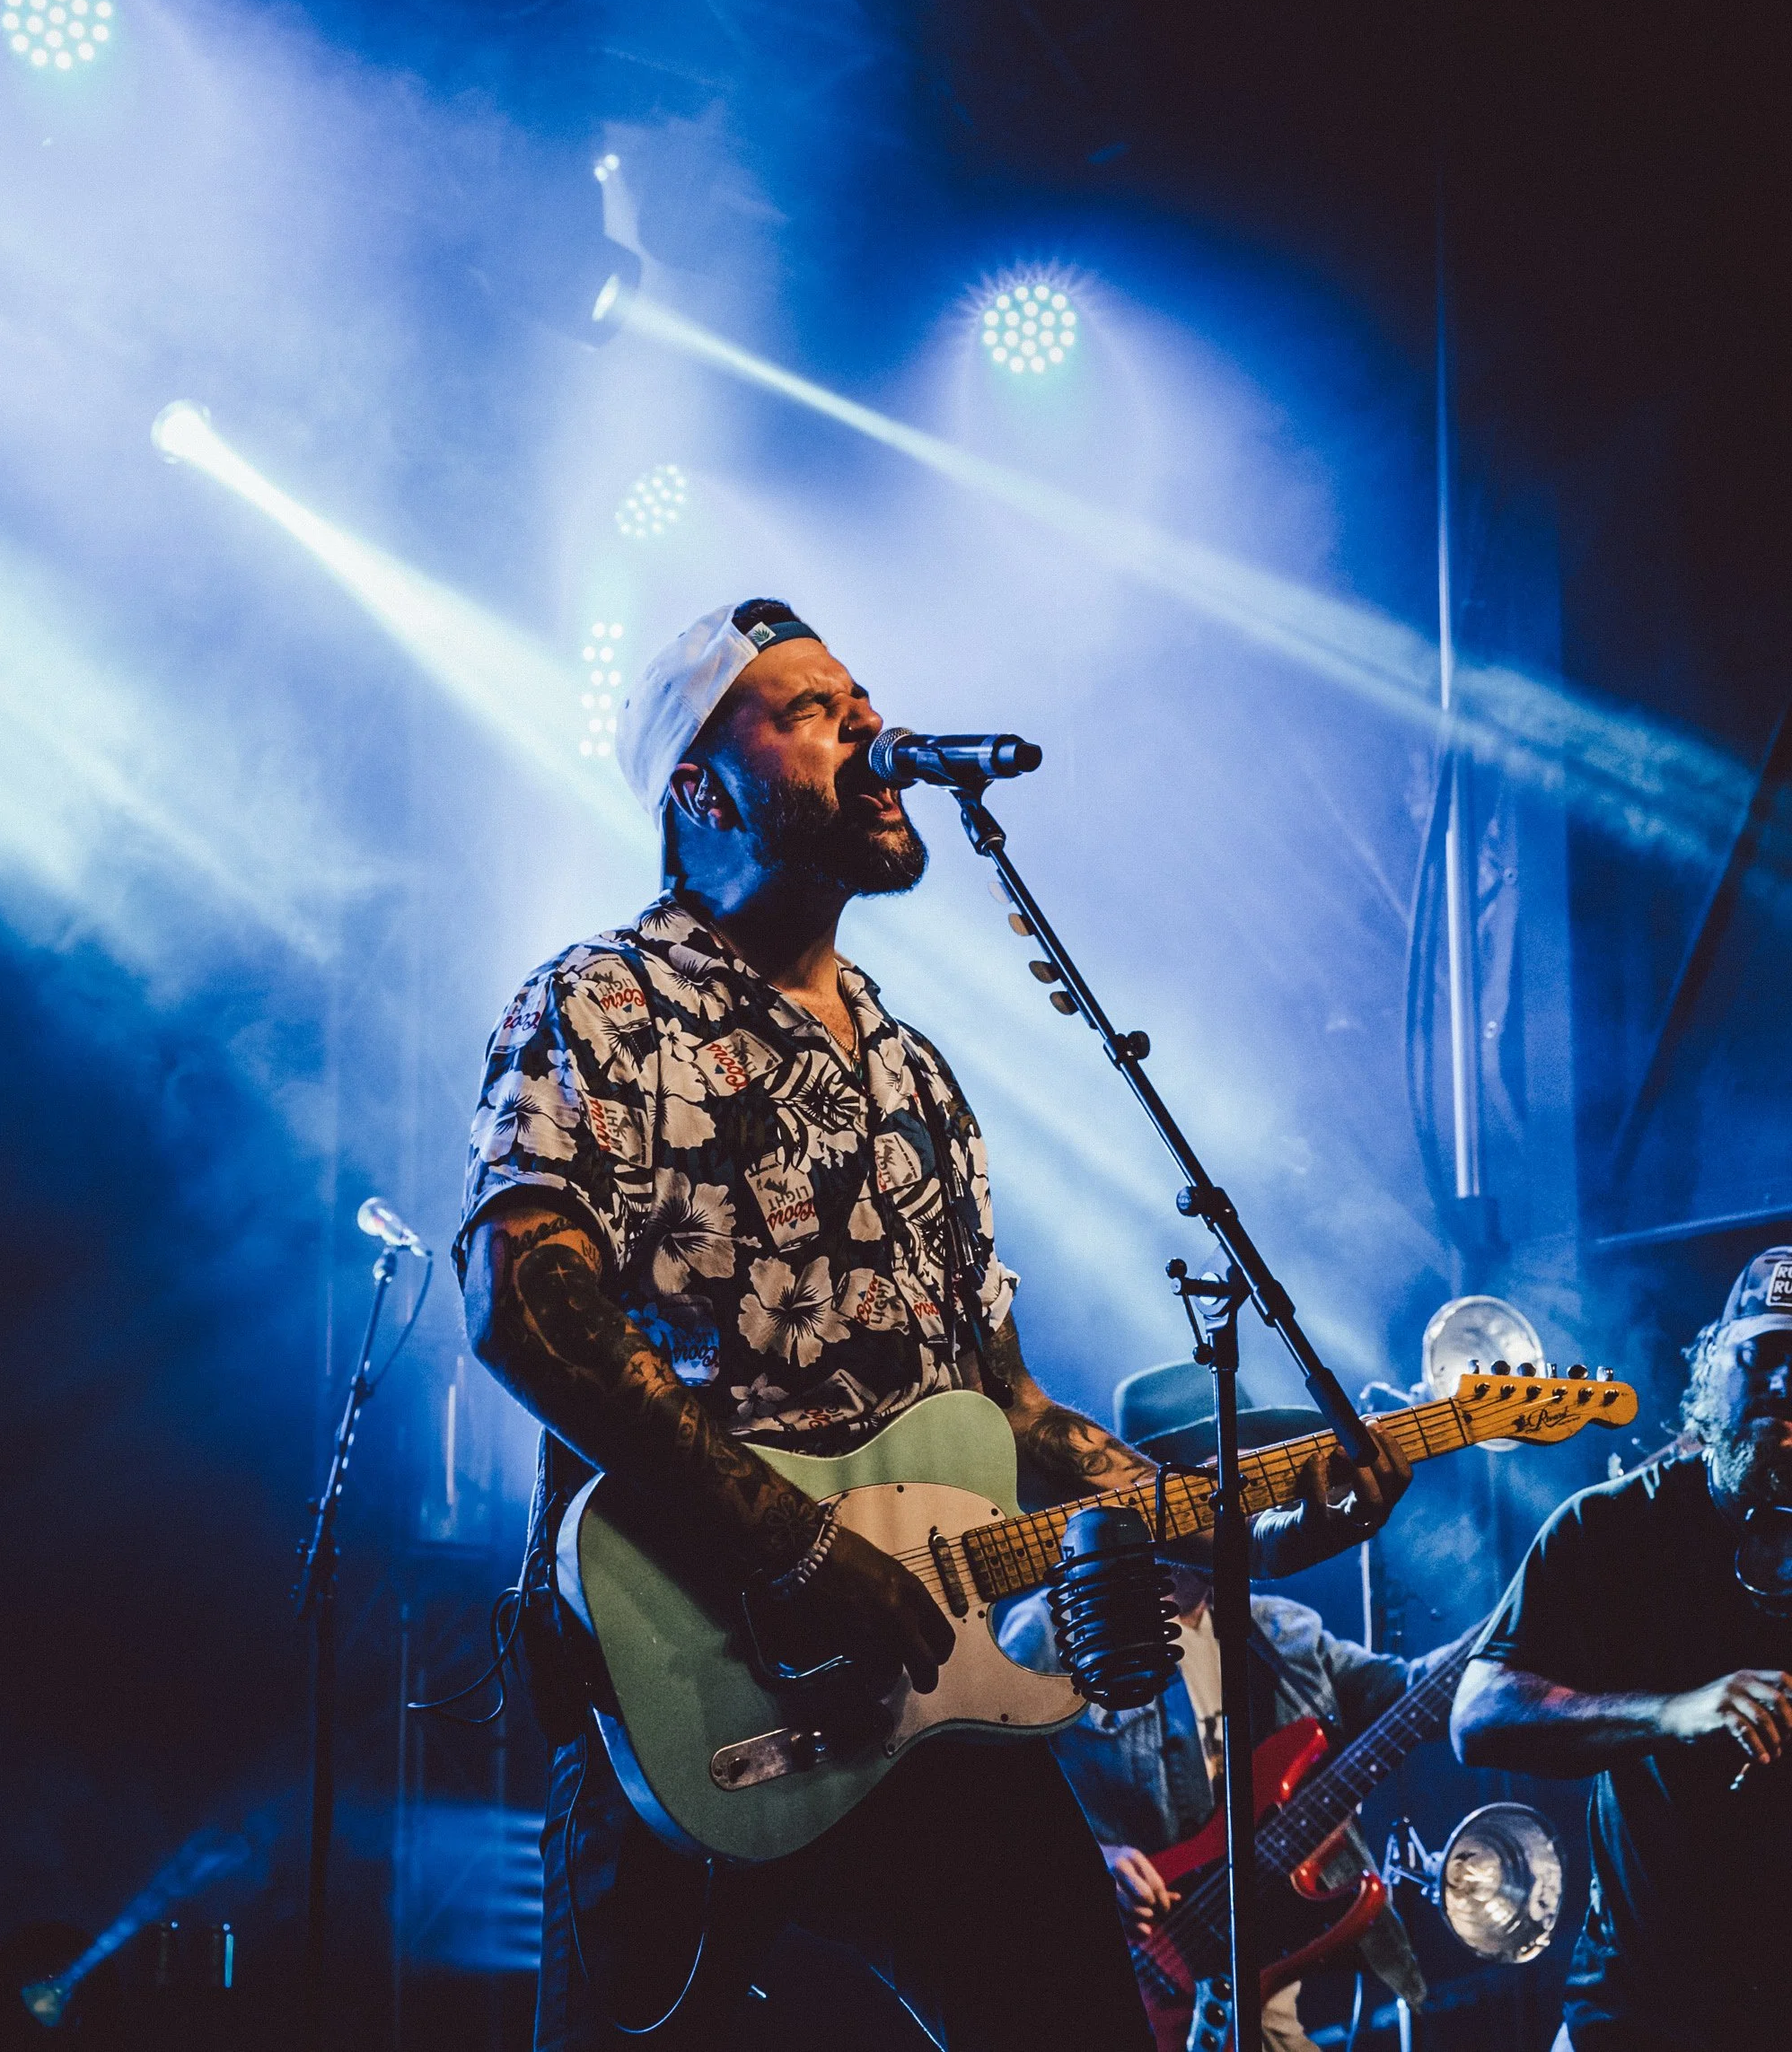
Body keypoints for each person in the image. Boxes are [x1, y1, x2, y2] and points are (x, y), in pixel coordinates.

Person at [455, 597, 1411, 2051]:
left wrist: (1248, 1525)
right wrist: (794, 1542)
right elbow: (525, 1306)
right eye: (813, 710)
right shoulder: (601, 1004)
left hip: (927, 1700)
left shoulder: (917, 1076)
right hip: (688, 1683)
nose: (869, 732)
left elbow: (1011, 1416)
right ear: (700, 786)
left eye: (863, 700)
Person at [999, 1359, 1435, 2052]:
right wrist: (1097, 1861)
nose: (1246, 1496)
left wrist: (1526, 1607)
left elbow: (1410, 1690)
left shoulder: (1284, 1631)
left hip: (1258, 1994)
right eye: (1220, 1478)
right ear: (1150, 1488)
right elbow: (986, 1811)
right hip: (1127, 1985)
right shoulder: (1054, 1632)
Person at [1452, 1243, 1792, 2049]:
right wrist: (1673, 1713)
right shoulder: (1608, 1530)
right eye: (1764, 1359)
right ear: (1712, 1366)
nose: (1784, 1390)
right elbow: (1479, 1716)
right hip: (1643, 2012)